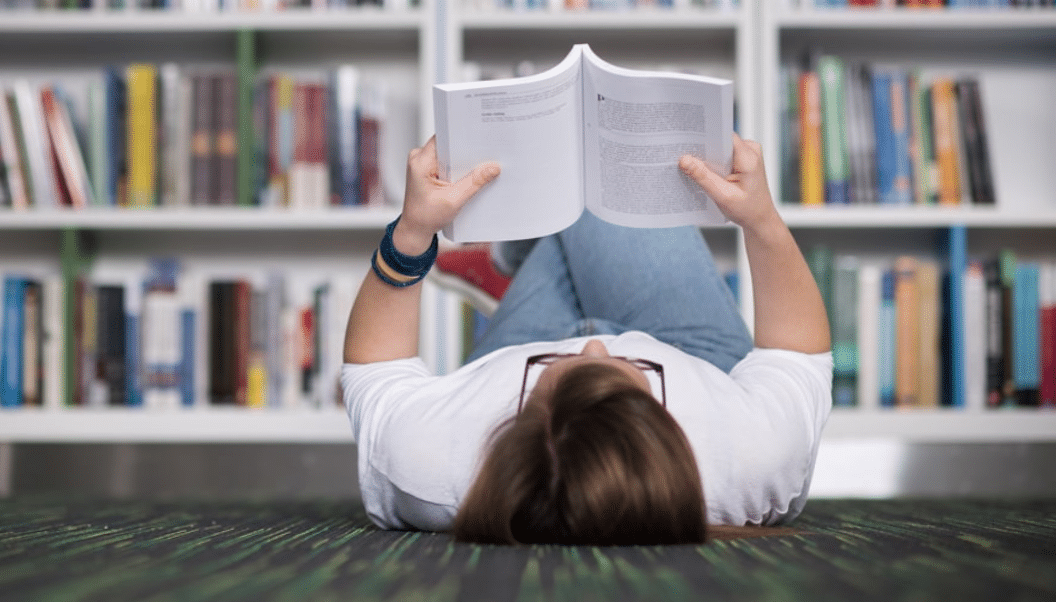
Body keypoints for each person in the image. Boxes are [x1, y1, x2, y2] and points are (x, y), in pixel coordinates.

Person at [341, 134, 832, 545]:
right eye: (627, 372)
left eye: (560, 374)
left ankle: (505, 263)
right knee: (599, 171)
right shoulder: (753, 455)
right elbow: (797, 349)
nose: (595, 347)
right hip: (691, 350)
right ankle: (507, 261)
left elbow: (375, 366)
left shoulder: (431, 467)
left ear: (509, 431)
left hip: (510, 352)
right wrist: (760, 219)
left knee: (568, 179)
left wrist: (412, 234)